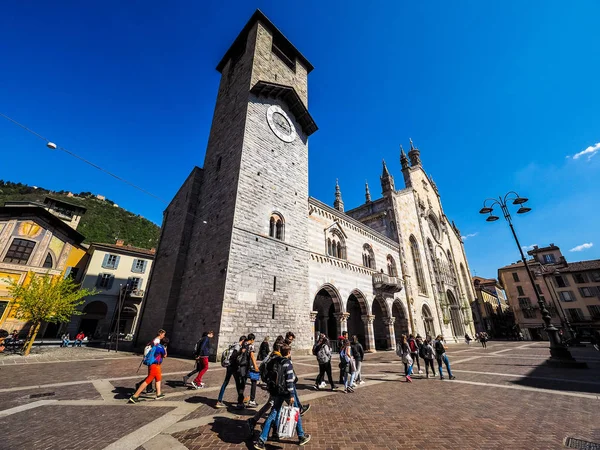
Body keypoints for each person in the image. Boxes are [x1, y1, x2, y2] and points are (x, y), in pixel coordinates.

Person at [253, 344, 311, 449]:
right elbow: (290, 380)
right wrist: (292, 395)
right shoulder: (287, 363)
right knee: (295, 412)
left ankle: (261, 440)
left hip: (277, 391)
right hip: (286, 392)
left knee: (273, 414)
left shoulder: (276, 360)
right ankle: (301, 436)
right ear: (288, 353)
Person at [247, 336, 285, 437]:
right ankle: (269, 429)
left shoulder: (271, 355)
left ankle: (257, 421)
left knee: (271, 404)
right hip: (276, 386)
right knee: (275, 407)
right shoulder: (277, 358)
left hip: (271, 385)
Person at [129, 337, 168, 403]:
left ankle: (158, 394)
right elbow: (165, 356)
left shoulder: (156, 345)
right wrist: (165, 349)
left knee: (158, 378)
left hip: (155, 365)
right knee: (148, 380)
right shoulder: (161, 348)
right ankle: (135, 396)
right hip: (155, 365)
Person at [215, 335, 246, 408]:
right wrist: (240, 352)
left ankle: (219, 400)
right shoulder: (238, 346)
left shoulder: (233, 345)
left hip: (229, 366)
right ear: (243, 341)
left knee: (226, 382)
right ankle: (240, 402)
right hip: (234, 367)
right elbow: (234, 355)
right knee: (238, 384)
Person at [283, 331, 310, 415]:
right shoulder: (284, 347)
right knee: (291, 394)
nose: (291, 341)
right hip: (286, 374)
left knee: (294, 393)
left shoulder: (286, 346)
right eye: (290, 339)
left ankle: (299, 407)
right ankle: (297, 409)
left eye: (292, 340)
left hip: (289, 372)